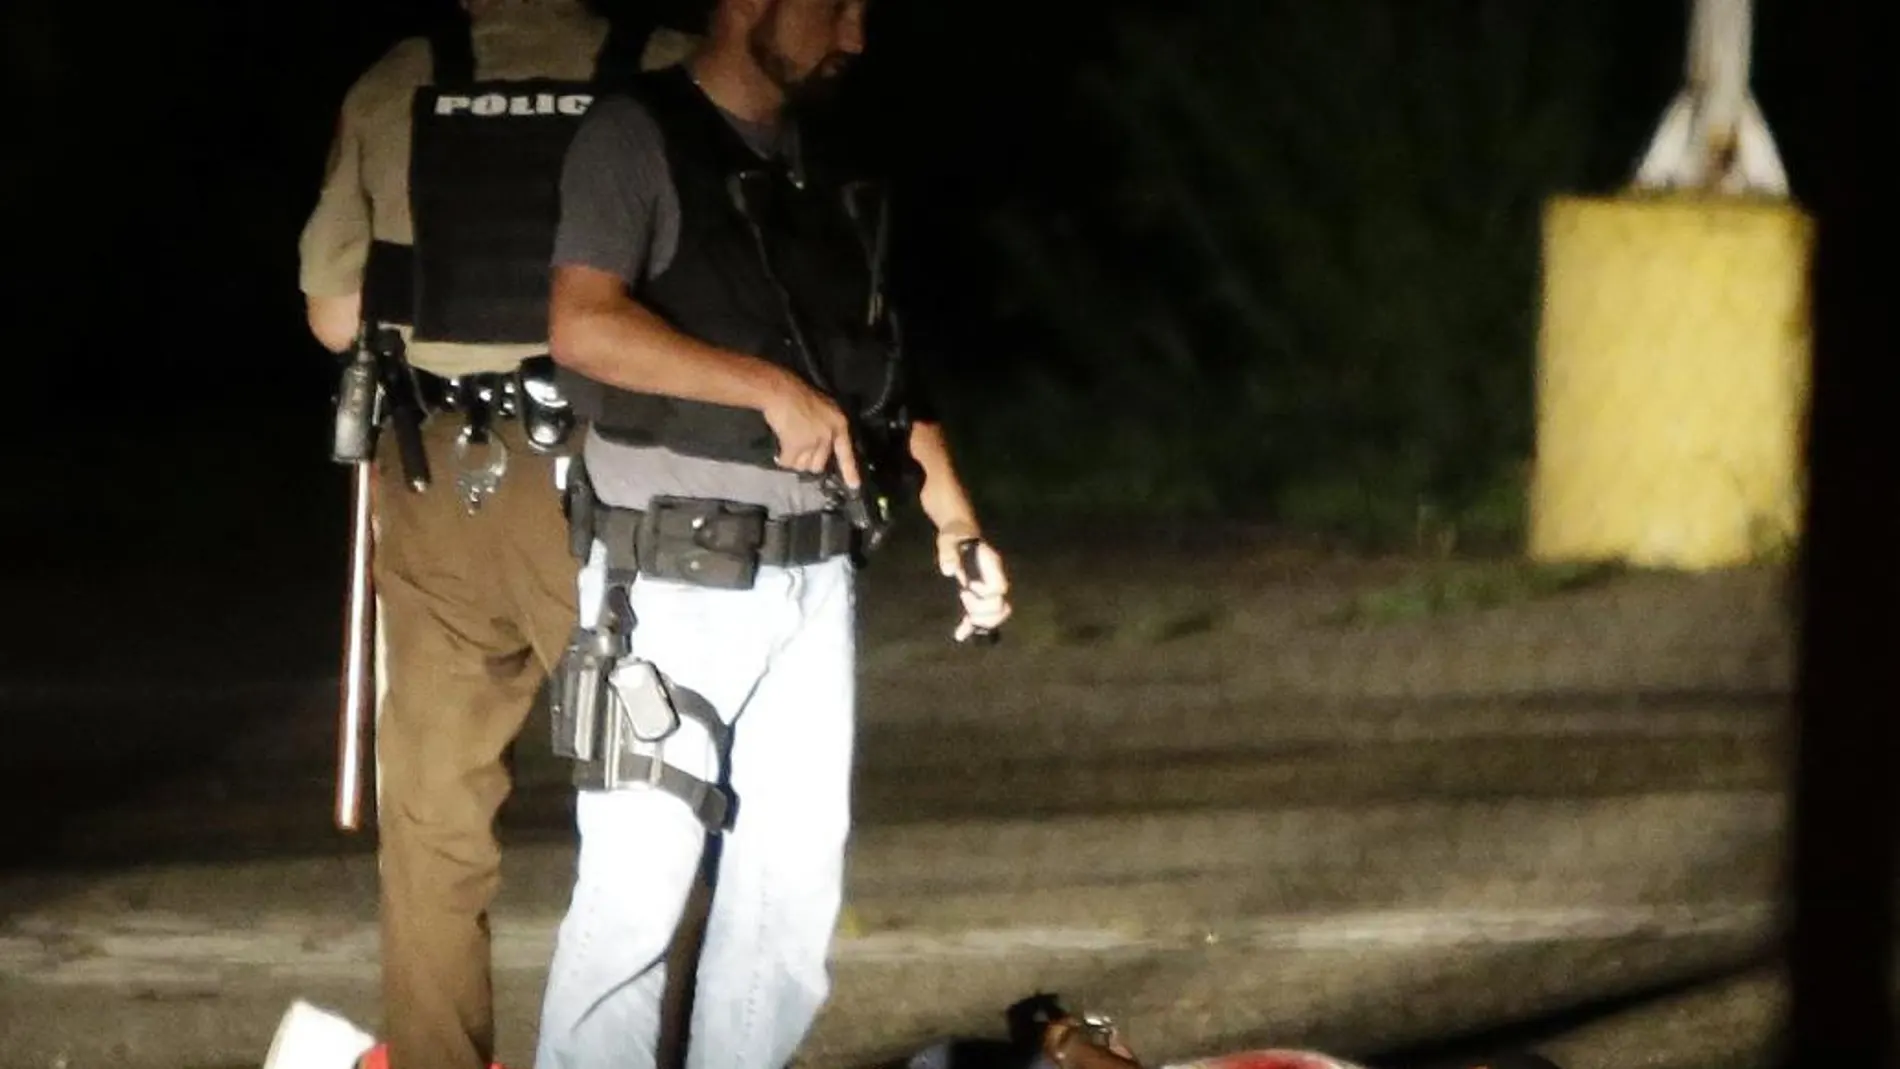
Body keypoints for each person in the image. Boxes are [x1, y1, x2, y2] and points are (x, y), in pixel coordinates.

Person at [527, 0, 1015, 1065]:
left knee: (788, 901)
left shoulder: (821, 161)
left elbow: (876, 365)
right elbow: (582, 321)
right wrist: (762, 390)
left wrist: (953, 514)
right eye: (834, 8)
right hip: (671, 571)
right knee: (635, 894)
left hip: (813, 572)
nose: (855, 37)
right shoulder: (634, 136)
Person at [293, 3, 702, 1067]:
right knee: (659, 795)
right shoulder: (664, 72)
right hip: (616, 480)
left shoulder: (398, 77)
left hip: (437, 477)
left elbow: (335, 318)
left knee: (433, 821)